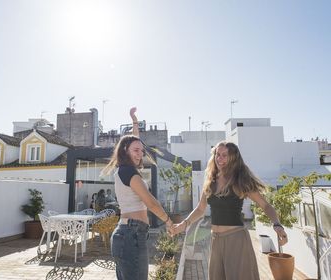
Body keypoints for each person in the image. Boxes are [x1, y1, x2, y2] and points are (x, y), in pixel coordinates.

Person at [172, 141, 288, 280]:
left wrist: (277, 224)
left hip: (236, 240)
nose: (219, 159)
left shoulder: (240, 180)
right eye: (217, 155)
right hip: (215, 240)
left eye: (224, 155)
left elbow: (266, 206)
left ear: (233, 158)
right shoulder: (211, 180)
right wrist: (183, 225)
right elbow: (200, 209)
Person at [102, 107, 174, 280]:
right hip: (131, 236)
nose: (140, 154)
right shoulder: (128, 172)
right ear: (125, 150)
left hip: (128, 234)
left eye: (141, 151)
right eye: (136, 151)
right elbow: (150, 202)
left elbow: (134, 142)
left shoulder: (124, 170)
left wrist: (135, 122)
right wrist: (168, 221)